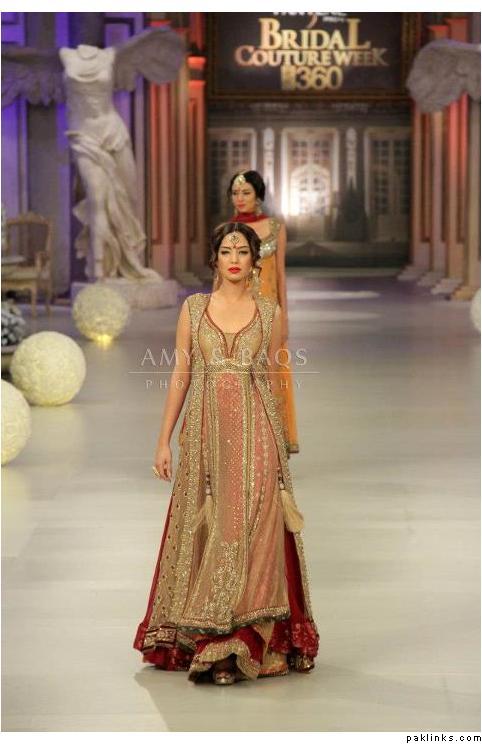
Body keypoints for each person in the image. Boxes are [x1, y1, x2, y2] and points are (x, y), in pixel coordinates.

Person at [133, 222, 319, 685]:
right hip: (206, 440)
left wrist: (281, 447)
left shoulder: (270, 312)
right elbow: (180, 374)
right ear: (214, 258)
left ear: (255, 261)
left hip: (259, 435)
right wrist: (163, 439)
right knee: (219, 530)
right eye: (226, 251)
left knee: (254, 530)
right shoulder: (194, 309)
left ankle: (245, 641)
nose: (234, 258)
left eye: (242, 251)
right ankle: (214, 636)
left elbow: (273, 381)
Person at [222, 170, 299, 456]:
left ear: (258, 196)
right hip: (236, 314)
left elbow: (280, 275)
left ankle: (272, 446)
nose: (239, 198)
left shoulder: (275, 228)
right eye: (235, 193)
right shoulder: (227, 230)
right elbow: (219, 277)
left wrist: (284, 317)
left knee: (270, 376)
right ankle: (237, 445)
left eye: (246, 193)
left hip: (269, 315)